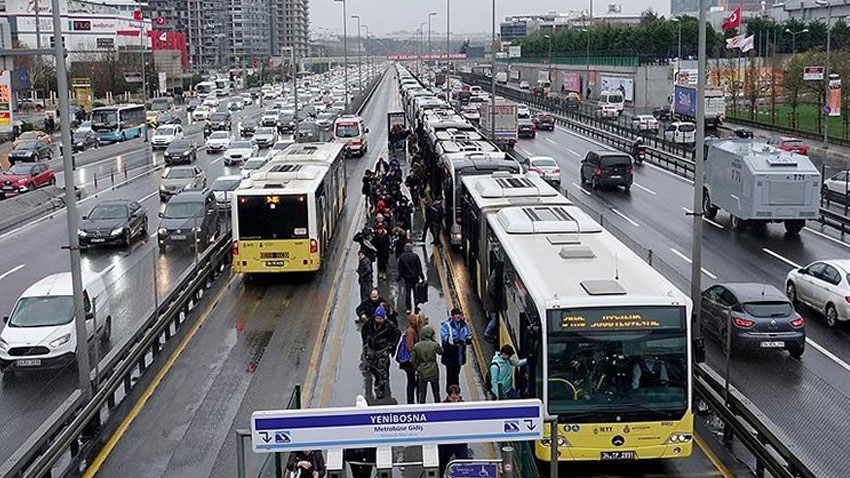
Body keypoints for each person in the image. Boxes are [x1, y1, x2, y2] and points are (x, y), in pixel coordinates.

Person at [361, 305, 401, 399]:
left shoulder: (388, 325)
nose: (378, 320)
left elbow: (397, 333)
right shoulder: (370, 322)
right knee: (371, 367)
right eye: (377, 318)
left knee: (382, 370)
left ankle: (381, 388)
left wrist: (392, 345)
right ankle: (377, 379)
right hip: (371, 349)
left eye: (380, 318)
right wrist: (365, 343)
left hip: (382, 350)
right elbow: (364, 331)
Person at [438, 385, 469, 476]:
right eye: (453, 398)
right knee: (442, 463)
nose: (455, 401)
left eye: (457, 398)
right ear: (448, 396)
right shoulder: (442, 407)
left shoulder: (464, 406)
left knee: (463, 464)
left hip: (460, 440)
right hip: (446, 441)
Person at [440, 308, 472, 390]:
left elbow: (469, 334)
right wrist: (454, 341)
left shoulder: (464, 325)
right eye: (456, 314)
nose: (458, 316)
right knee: (450, 374)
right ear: (452, 316)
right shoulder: (447, 325)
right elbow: (444, 338)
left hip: (459, 354)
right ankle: (450, 391)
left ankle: (455, 391)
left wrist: (468, 339)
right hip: (450, 354)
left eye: (459, 314)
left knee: (456, 373)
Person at [411, 324, 443, 403]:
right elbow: (441, 352)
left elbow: (413, 360)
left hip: (422, 370)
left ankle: (422, 407)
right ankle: (438, 407)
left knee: (422, 393)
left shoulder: (417, 346)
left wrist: (417, 368)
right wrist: (434, 341)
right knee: (436, 392)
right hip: (433, 370)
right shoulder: (434, 345)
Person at [399, 311, 423, 404]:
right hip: (410, 363)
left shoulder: (414, 330)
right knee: (412, 382)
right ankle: (411, 401)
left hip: (411, 362)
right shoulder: (410, 331)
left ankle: (413, 400)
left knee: (414, 381)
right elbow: (409, 347)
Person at [397, 243, 424, 312]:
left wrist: (399, 277)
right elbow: (419, 267)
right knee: (416, 292)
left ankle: (408, 308)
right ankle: (416, 306)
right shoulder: (415, 256)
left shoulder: (402, 257)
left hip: (407, 278)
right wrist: (422, 276)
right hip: (415, 277)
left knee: (408, 292)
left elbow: (400, 268)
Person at [482, 270, 500, 343]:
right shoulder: (493, 279)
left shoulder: (493, 276)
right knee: (494, 320)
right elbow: (492, 291)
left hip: (491, 303)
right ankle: (487, 333)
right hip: (491, 304)